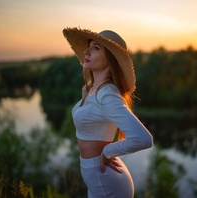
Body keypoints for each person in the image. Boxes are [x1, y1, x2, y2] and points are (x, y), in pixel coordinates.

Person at [63, 27, 153, 198]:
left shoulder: (107, 95)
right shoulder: (89, 90)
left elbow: (143, 139)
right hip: (96, 177)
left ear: (110, 59)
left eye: (96, 48)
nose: (87, 51)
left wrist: (107, 151)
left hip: (106, 180)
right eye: (88, 46)